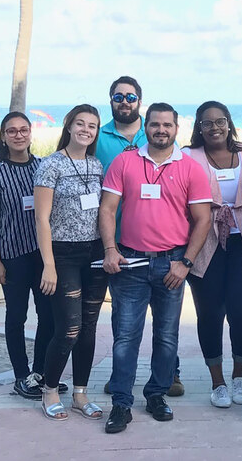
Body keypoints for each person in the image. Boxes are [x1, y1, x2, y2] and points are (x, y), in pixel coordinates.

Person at [99, 103, 211, 434]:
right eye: (155, 124)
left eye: (167, 124)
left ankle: (157, 394)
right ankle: (121, 403)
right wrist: (109, 249)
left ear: (177, 129)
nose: (160, 129)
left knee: (166, 337)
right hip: (130, 261)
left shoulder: (190, 168)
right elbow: (107, 209)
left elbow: (203, 219)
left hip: (172, 264)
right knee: (125, 337)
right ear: (145, 127)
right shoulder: (125, 161)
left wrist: (185, 263)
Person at [95, 76, 185, 398]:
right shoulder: (99, 136)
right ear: (111, 100)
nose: (124, 101)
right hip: (120, 246)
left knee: (166, 331)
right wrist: (109, 246)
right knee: (125, 328)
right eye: (118, 96)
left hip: (165, 250)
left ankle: (165, 379)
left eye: (130, 96)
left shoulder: (170, 151)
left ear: (140, 103)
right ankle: (123, 387)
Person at [182, 101, 242, 408]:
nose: (215, 128)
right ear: (199, 127)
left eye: (220, 121)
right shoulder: (188, 156)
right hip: (203, 243)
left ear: (229, 123)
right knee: (210, 312)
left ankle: (239, 375)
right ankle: (217, 381)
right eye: (207, 123)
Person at [33, 104, 108, 421]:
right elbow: (41, 219)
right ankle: (49, 389)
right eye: (80, 123)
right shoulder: (51, 165)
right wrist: (48, 264)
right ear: (68, 125)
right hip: (61, 255)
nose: (86, 130)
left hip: (93, 253)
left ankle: (80, 393)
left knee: (89, 328)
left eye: (92, 126)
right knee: (69, 328)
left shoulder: (97, 165)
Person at [0, 112, 57, 400]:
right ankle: (20, 376)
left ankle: (40, 373)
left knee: (48, 315)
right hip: (12, 257)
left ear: (30, 133)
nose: (18, 135)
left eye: (23, 130)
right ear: (3, 136)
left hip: (42, 255)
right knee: (16, 316)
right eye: (11, 131)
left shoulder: (42, 167)